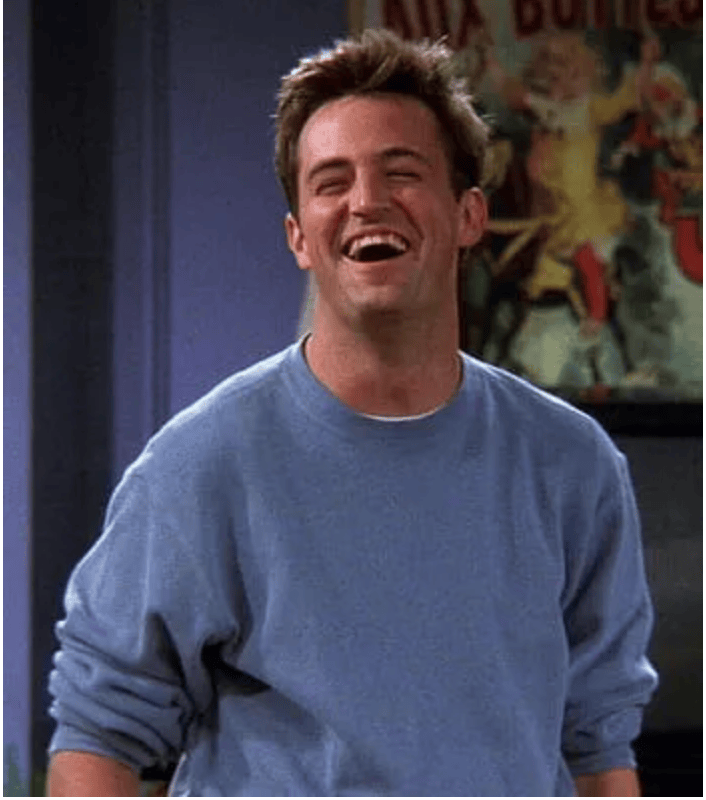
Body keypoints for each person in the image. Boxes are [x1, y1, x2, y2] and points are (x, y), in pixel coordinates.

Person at [47, 29, 657, 796]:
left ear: (469, 215)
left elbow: (598, 745)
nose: (367, 201)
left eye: (402, 173)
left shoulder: (573, 464)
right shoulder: (200, 466)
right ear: (299, 237)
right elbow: (97, 739)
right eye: (331, 182)